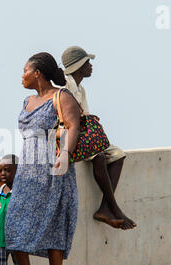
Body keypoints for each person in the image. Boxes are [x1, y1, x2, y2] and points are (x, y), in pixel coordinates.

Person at [5, 52, 81, 265]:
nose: (21, 75)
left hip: (54, 169)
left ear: (37, 73)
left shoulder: (62, 96)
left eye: (24, 70)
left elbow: (72, 126)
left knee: (55, 227)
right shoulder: (27, 100)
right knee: (13, 225)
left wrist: (65, 154)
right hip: (28, 171)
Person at [61, 46, 136, 230]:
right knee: (99, 156)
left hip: (82, 135)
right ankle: (114, 208)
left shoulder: (81, 89)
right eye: (87, 63)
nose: (90, 66)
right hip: (69, 137)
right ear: (79, 66)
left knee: (118, 155)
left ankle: (104, 207)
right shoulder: (65, 85)